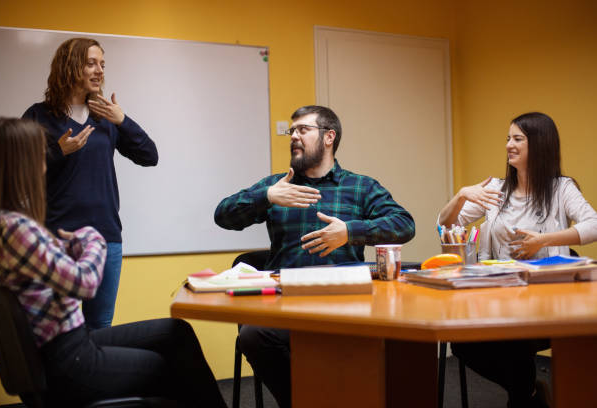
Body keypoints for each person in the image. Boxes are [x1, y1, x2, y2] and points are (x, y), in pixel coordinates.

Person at [0, 117, 227, 408]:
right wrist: (93, 238)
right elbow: (84, 284)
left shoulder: (0, 224)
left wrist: (73, 245)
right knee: (169, 367)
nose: (44, 165)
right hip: (69, 361)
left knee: (175, 333)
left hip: (67, 346)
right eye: (38, 156)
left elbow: (47, 258)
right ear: (17, 164)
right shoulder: (16, 228)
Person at [214, 105, 415, 408]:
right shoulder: (278, 186)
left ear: (329, 136)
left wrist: (350, 231)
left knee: (398, 342)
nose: (294, 136)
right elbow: (223, 215)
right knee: (253, 336)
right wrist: (265, 196)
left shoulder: (360, 186)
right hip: (286, 303)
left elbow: (404, 225)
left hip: (345, 303)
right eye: (292, 131)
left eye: (303, 130)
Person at [438, 112, 597, 407]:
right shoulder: (497, 190)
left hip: (548, 302)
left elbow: (593, 225)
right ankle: (529, 392)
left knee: (516, 345)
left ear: (539, 144)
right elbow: (447, 225)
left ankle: (524, 396)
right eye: (508, 138)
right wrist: (460, 196)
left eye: (517, 139)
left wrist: (544, 240)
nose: (509, 145)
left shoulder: (561, 189)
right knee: (462, 344)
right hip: (500, 298)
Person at [22, 37, 158, 329]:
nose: (99, 71)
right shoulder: (38, 116)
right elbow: (20, 174)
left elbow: (150, 156)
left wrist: (123, 121)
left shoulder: (106, 118)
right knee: (57, 331)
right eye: (91, 63)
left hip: (106, 238)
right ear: (70, 67)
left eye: (102, 65)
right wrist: (59, 152)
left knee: (100, 328)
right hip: (56, 239)